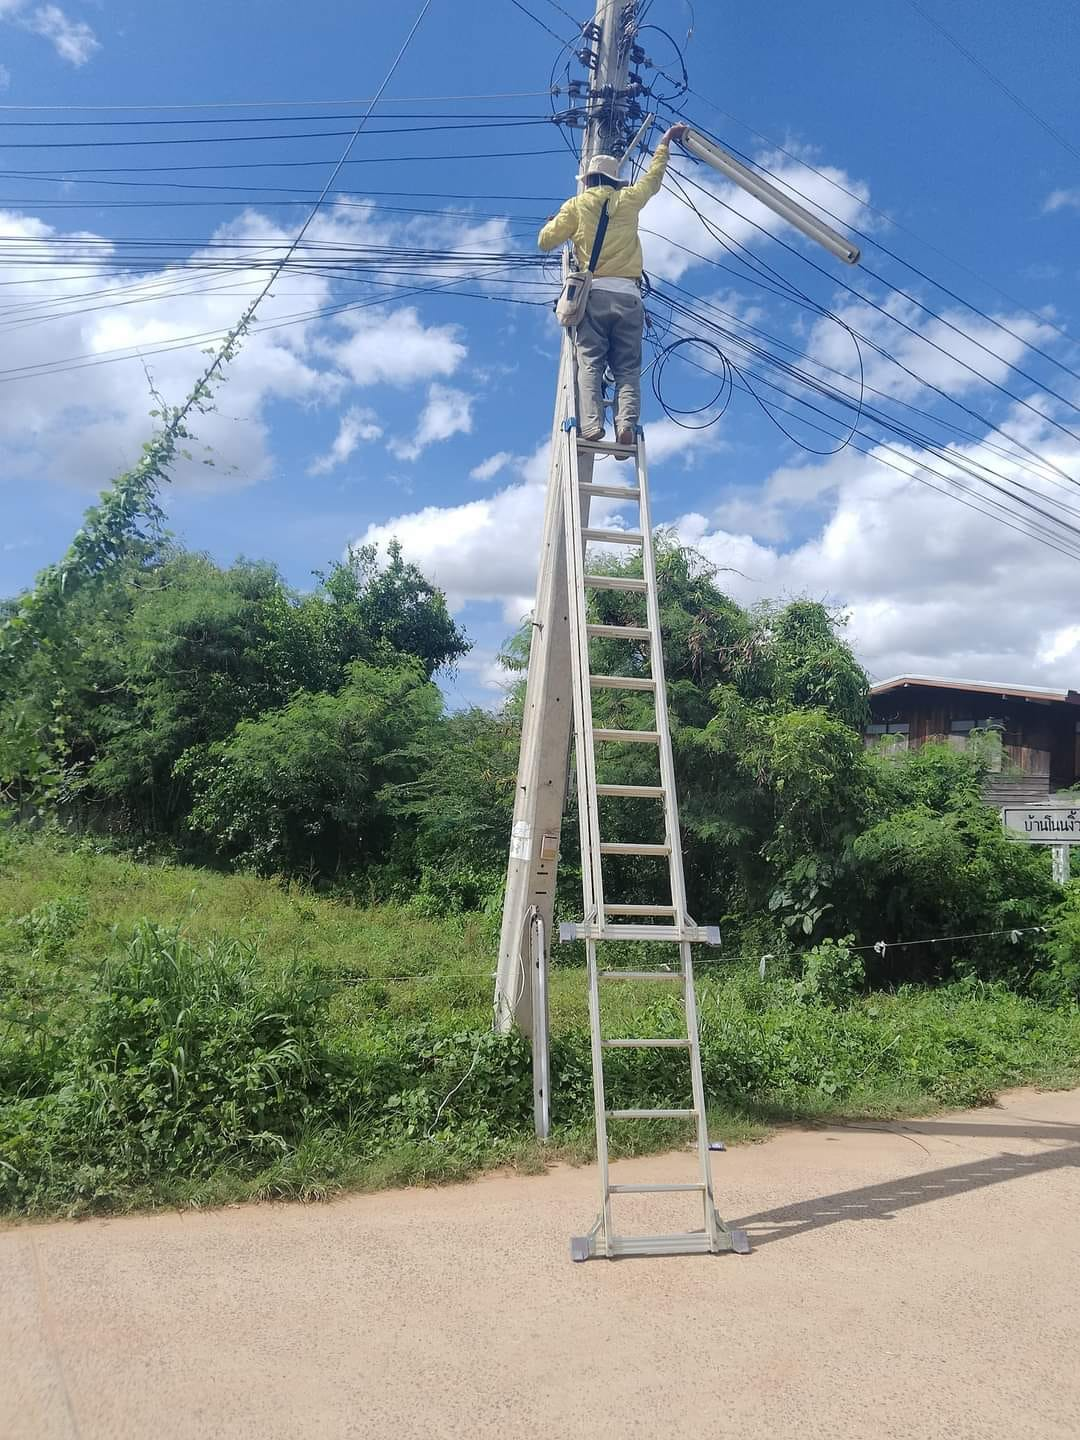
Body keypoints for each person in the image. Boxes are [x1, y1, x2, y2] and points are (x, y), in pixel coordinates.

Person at [538, 123, 688, 449]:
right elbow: (653, 180)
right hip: (630, 298)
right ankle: (626, 426)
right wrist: (664, 143)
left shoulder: (575, 206)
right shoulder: (629, 199)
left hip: (595, 297)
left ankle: (591, 425)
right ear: (613, 180)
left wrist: (553, 224)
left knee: (590, 362)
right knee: (627, 368)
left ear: (589, 180)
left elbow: (545, 242)